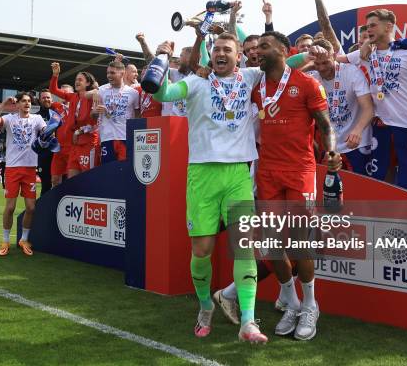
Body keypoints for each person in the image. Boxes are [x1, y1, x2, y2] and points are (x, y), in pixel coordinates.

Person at [214, 31, 341, 341]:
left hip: (299, 170)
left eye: (264, 46)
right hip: (267, 172)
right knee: (271, 245)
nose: (257, 51)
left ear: (284, 51)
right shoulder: (255, 87)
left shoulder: (307, 83)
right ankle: (293, 303)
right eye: (256, 47)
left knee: (299, 242)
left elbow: (325, 125)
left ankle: (311, 304)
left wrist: (333, 152)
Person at [154, 29, 268, 343]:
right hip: (202, 174)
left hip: (237, 174)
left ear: (238, 55)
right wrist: (161, 58)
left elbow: (288, 63)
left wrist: (317, 53)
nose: (220, 53)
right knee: (202, 249)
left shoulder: (250, 77)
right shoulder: (196, 82)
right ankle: (206, 306)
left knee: (244, 246)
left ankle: (248, 321)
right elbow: (162, 94)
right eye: (216, 48)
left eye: (227, 49)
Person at [343, 9, 407, 195]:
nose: (368, 30)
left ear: (389, 26)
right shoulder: (365, 53)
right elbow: (335, 60)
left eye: (373, 25)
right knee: (381, 182)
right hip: (380, 127)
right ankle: (386, 222)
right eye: (367, 27)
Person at [0, 92, 46, 257]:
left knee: (31, 207)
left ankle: (24, 239)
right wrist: (3, 104)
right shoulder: (9, 118)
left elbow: (45, 132)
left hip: (30, 168)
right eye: (24, 101)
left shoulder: (37, 119)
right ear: (18, 104)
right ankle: (5, 240)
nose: (27, 103)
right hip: (13, 168)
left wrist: (49, 133)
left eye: (29, 101)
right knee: (10, 207)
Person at [311, 39, 373, 174]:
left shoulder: (352, 72)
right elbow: (286, 69)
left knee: (360, 189)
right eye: (317, 64)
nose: (321, 68)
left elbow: (368, 108)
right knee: (331, 190)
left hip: (356, 142)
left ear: (334, 56)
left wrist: (357, 130)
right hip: (330, 146)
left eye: (325, 62)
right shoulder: (312, 78)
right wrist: (305, 60)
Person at [50, 63, 100, 177]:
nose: (77, 81)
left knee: (88, 179)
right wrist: (55, 75)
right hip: (75, 144)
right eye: (76, 79)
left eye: (80, 80)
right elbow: (53, 89)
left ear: (88, 83)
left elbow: (96, 124)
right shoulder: (72, 96)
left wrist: (80, 132)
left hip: (89, 143)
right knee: (72, 180)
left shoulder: (94, 97)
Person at [92, 61, 140, 164]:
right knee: (107, 172)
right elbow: (93, 115)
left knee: (123, 171)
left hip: (125, 137)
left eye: (112, 73)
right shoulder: (101, 91)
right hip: (107, 138)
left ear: (122, 74)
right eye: (108, 73)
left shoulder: (134, 93)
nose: (109, 75)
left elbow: (137, 117)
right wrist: (96, 112)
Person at [36, 90, 54, 195]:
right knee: (46, 185)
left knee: (60, 183)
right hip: (43, 156)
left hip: (58, 154)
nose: (46, 99)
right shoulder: (35, 117)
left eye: (48, 97)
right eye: (44, 98)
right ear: (39, 100)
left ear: (51, 99)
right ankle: (44, 210)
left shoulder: (58, 114)